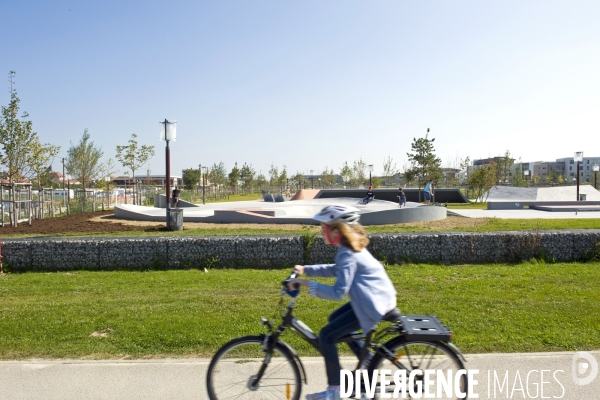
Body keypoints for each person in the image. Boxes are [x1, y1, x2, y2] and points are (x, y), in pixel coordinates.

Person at [288, 205, 397, 400]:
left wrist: (304, 283)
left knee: (327, 335)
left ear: (337, 231)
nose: (321, 231)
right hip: (373, 298)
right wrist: (306, 269)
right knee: (334, 318)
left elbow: (338, 293)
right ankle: (366, 358)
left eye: (324, 228)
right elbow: (336, 269)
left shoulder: (348, 253)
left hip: (373, 304)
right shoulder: (347, 249)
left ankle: (335, 390)